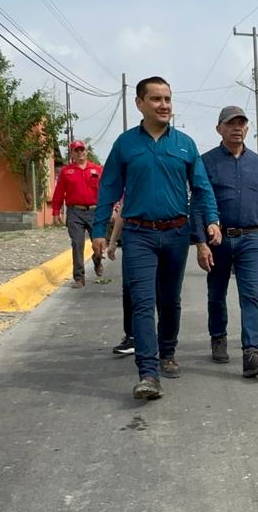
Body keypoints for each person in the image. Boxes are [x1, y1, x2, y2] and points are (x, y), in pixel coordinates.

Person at [92, 76, 221, 401]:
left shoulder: (185, 144)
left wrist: (212, 221)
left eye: (167, 99)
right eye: (156, 99)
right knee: (142, 302)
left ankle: (167, 352)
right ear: (140, 103)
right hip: (137, 235)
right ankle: (148, 372)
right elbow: (108, 187)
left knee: (169, 300)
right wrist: (97, 232)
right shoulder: (125, 144)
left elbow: (202, 188)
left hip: (176, 233)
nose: (164, 105)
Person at [196, 105, 258, 378]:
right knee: (217, 294)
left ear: (247, 128)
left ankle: (252, 352)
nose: (237, 128)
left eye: (241, 123)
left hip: (249, 239)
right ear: (219, 129)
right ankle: (218, 336)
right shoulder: (206, 161)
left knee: (251, 295)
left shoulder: (256, 162)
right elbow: (199, 204)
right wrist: (201, 241)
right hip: (218, 240)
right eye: (231, 123)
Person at [51, 140, 104, 288]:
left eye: (82, 150)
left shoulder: (97, 170)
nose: (80, 153)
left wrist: (112, 207)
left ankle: (97, 260)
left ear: (86, 152)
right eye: (77, 151)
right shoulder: (66, 172)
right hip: (75, 212)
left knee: (99, 244)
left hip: (95, 211)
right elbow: (59, 193)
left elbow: (106, 190)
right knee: (77, 243)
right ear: (72, 154)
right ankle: (79, 278)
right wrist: (56, 212)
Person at [105, 201, 134, 355]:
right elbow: (123, 209)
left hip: (167, 235)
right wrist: (113, 241)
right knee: (130, 289)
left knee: (164, 293)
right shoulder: (132, 179)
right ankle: (132, 336)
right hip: (134, 239)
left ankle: (165, 340)